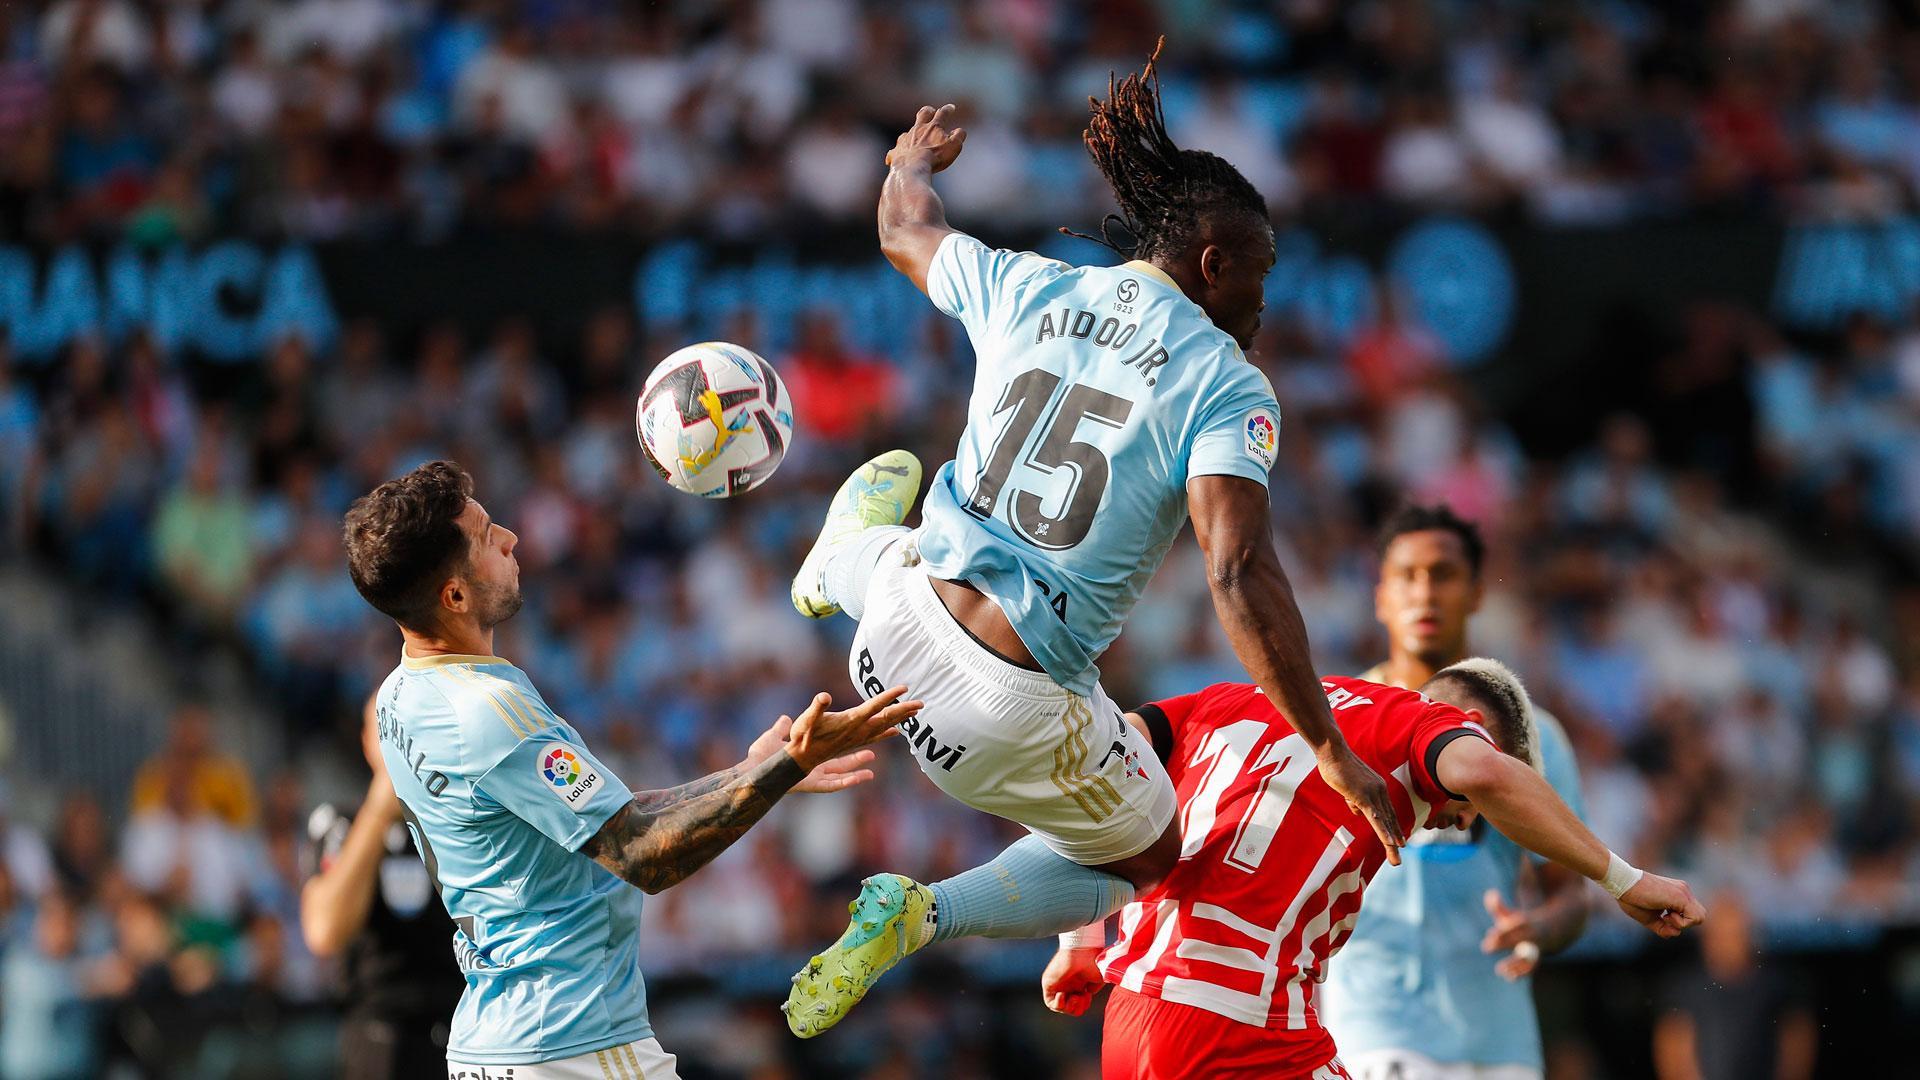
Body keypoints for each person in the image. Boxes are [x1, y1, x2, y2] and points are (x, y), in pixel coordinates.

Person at [784, 39, 1404, 1038]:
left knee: (917, 540)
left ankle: (851, 556)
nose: (1262, 300)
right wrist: (1326, 746)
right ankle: (924, 911)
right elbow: (1237, 572)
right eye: (1258, 274)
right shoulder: (1226, 381)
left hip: (888, 640)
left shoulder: (1034, 286)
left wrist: (906, 164)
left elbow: (907, 231)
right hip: (1005, 710)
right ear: (1213, 262)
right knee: (1154, 858)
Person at [341, 461, 920, 1078]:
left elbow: (606, 817)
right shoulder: (488, 712)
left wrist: (760, 769)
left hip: (496, 1044)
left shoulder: (401, 695)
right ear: (453, 595)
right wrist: (788, 765)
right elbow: (643, 853)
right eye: (486, 536)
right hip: (573, 1043)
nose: (510, 537)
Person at [1038, 662, 1706, 1080]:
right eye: (1473, 808)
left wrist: (1079, 938)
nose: (1457, 818)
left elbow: (1089, 766)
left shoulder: (1236, 699)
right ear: (1467, 725)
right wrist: (1627, 879)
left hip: (1132, 1017)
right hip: (1237, 1027)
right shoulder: (1414, 727)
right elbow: (1478, 769)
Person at [1321, 504, 1592, 1080]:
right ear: (1381, 596)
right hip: (1372, 1028)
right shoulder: (1336, 728)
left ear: (1475, 593)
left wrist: (1538, 929)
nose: (1425, 592)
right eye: (1407, 576)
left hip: (1499, 1034)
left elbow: (1571, 895)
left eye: (1443, 574)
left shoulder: (1535, 736)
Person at [298, 693, 463, 1079]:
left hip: (467, 1030)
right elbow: (324, 931)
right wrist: (380, 809)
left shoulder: (457, 822)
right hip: (383, 1037)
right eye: (385, 726)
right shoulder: (342, 822)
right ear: (366, 740)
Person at [1652, 890, 1815, 1080]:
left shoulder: (1777, 984)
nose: (1726, 945)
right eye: (1720, 935)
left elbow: (1797, 1043)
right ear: (1706, 938)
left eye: (1734, 935)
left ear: (1750, 937)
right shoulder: (1683, 988)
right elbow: (1673, 1052)